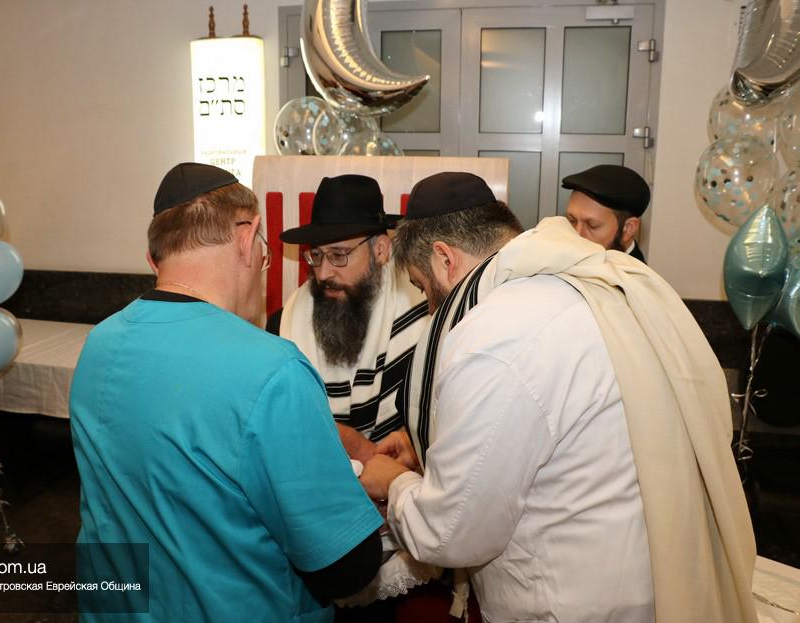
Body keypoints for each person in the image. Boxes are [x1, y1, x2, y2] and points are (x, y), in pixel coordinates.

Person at [362, 171, 758, 623]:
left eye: (422, 288)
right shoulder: (579, 284)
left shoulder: (494, 333)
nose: (433, 309)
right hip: (638, 579)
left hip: (570, 604)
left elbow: (450, 532)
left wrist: (393, 482)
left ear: (444, 259)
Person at [69, 163, 383, 623]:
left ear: (156, 257)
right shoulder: (272, 369)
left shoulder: (99, 343)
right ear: (247, 237)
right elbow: (346, 567)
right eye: (265, 253)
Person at [271, 174, 428, 463]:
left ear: (381, 250)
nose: (323, 274)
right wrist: (356, 448)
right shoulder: (285, 324)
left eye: (339, 255)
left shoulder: (423, 320)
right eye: (316, 255)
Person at [562, 163, 650, 262]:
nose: (577, 234)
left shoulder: (631, 272)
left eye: (592, 225)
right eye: (572, 220)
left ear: (628, 229)